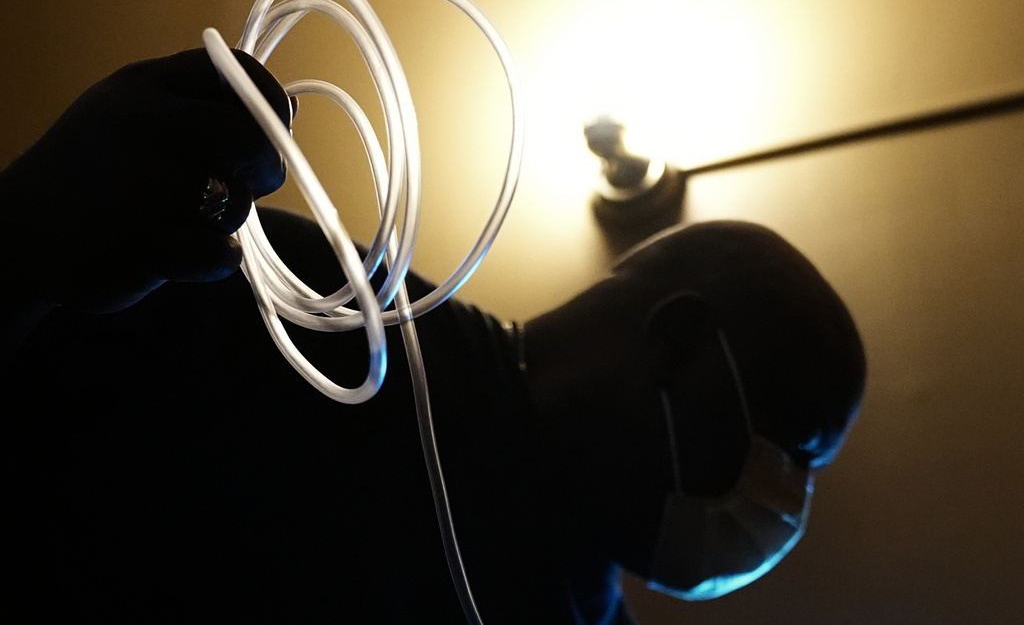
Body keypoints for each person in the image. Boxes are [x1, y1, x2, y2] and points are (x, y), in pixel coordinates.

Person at [0, 50, 865, 623]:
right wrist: (20, 242)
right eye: (790, 453)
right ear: (676, 342)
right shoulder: (317, 310)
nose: (784, 507)